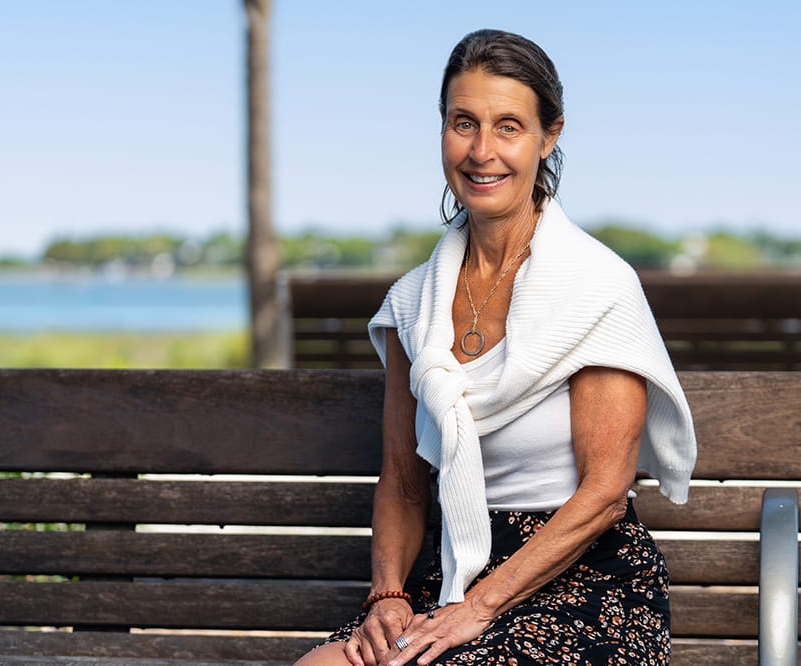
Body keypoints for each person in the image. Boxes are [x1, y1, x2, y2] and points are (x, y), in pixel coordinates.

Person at [295, 28, 696, 666]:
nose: (482, 152)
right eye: (464, 123)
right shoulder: (412, 304)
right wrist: (389, 594)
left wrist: (477, 610)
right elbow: (403, 480)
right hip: (454, 564)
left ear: (549, 136)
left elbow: (604, 494)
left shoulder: (597, 289)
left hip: (584, 575)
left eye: (509, 126)